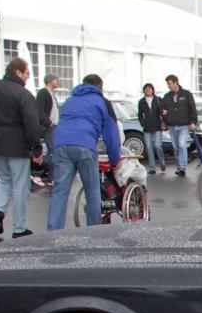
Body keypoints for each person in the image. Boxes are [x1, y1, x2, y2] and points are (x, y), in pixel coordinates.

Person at [46, 73, 123, 231]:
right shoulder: (102, 101)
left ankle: (52, 232)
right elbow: (111, 133)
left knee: (60, 191)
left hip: (60, 144)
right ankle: (93, 232)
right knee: (92, 190)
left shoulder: (70, 100)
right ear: (100, 87)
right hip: (84, 145)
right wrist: (115, 160)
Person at [0, 57, 41, 238]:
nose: (28, 77)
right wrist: (36, 147)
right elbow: (31, 123)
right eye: (27, 73)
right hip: (17, 146)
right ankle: (19, 228)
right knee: (21, 185)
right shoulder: (23, 94)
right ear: (18, 72)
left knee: (3, 180)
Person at [160, 75, 196, 176]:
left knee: (181, 145)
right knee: (176, 147)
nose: (168, 86)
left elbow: (192, 108)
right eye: (167, 84)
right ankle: (179, 166)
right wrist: (165, 116)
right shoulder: (166, 96)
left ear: (176, 82)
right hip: (172, 126)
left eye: (169, 83)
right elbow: (162, 109)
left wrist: (193, 121)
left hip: (183, 125)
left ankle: (182, 167)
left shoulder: (186, 94)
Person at [137, 83, 165, 173]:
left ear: (153, 90)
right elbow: (140, 114)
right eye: (146, 89)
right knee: (149, 148)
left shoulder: (158, 99)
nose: (148, 90)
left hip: (157, 126)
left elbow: (163, 111)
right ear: (144, 91)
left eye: (149, 89)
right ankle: (152, 168)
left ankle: (162, 162)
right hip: (147, 127)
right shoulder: (141, 101)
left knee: (157, 146)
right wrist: (142, 123)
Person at [36, 74, 59, 154]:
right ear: (50, 81)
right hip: (49, 126)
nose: (58, 82)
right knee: (53, 149)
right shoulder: (43, 93)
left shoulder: (51, 93)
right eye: (56, 79)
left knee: (55, 147)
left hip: (53, 125)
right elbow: (39, 109)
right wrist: (48, 122)